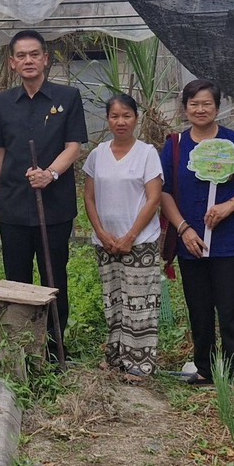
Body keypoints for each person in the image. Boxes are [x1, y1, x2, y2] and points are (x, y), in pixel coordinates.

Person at [0, 29, 86, 362]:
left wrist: (50, 174)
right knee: (17, 279)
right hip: (13, 205)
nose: (28, 61)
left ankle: (56, 349)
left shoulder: (67, 98)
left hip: (54, 207)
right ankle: (20, 351)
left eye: (34, 54)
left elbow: (74, 146)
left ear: (45, 59)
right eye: (21, 56)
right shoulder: (3, 103)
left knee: (54, 276)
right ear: (12, 63)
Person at [159, 81, 234, 387]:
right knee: (199, 308)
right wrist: (184, 228)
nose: (200, 109)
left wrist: (228, 206)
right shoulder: (176, 145)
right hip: (189, 241)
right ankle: (205, 368)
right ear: (185, 107)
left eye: (207, 104)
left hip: (228, 241)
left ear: (217, 108)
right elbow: (164, 192)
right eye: (194, 104)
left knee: (232, 308)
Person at [83, 94, 166, 380]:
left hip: (140, 241)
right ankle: (116, 358)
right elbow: (89, 197)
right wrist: (102, 233)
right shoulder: (97, 155)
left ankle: (140, 365)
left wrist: (131, 236)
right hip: (106, 242)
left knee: (140, 303)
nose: (121, 121)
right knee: (114, 301)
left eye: (126, 115)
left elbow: (154, 198)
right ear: (108, 119)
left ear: (136, 118)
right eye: (115, 116)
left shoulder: (147, 153)